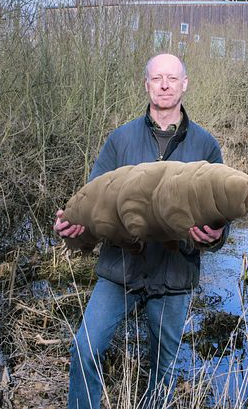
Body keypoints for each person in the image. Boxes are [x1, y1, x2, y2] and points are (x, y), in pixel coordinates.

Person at [54, 53, 228, 409]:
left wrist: (216, 237)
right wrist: (74, 227)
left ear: (185, 84)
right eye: (157, 78)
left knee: (162, 371)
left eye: (172, 78)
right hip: (120, 269)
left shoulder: (206, 145)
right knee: (86, 349)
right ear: (146, 83)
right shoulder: (120, 139)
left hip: (175, 274)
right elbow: (94, 197)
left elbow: (220, 210)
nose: (164, 85)